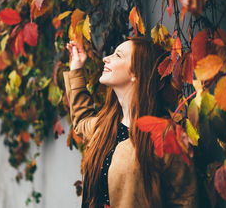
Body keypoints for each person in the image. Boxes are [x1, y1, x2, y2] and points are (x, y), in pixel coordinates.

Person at [63, 36, 198, 208]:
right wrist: (76, 68)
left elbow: (185, 201)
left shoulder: (165, 136)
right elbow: (81, 121)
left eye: (118, 55)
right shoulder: (106, 126)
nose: (106, 58)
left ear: (137, 73)